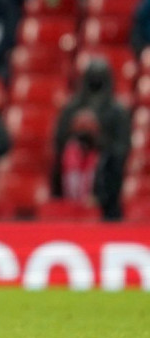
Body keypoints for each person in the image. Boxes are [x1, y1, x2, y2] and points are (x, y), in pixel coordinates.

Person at [51, 59, 130, 220]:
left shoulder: (117, 112)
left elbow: (122, 149)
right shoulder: (72, 109)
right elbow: (59, 142)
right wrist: (77, 139)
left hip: (106, 185)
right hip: (71, 178)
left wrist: (99, 142)